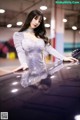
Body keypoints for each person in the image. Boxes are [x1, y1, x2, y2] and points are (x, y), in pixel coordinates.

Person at [13, 10, 78, 87]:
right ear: (30, 18)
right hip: (28, 71)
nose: (37, 22)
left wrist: (63, 58)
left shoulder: (40, 36)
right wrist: (23, 64)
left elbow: (50, 49)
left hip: (43, 72)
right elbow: (20, 51)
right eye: (35, 18)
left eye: (39, 21)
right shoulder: (18, 35)